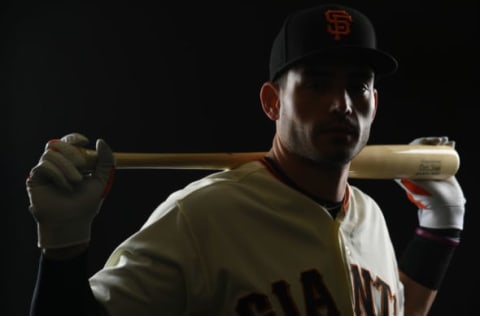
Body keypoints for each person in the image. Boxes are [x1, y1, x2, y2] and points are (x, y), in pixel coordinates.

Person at [26, 4, 466, 316]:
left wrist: (440, 228)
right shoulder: (200, 217)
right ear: (273, 102)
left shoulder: (370, 217)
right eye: (316, 84)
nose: (342, 104)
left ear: (375, 101)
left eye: (359, 86)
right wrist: (64, 246)